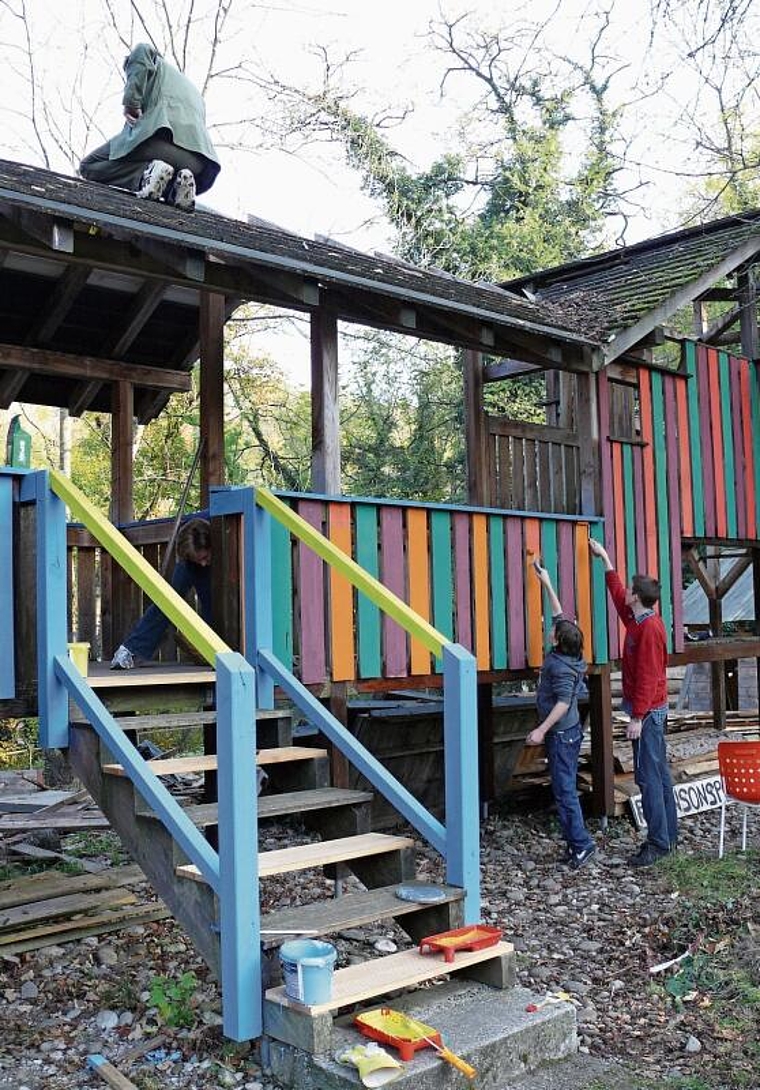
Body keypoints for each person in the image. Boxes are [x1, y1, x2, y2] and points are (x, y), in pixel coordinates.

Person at [588, 538, 677, 867]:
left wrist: (637, 717)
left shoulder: (649, 630)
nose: (626, 593)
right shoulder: (639, 620)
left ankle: (657, 845)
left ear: (637, 597)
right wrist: (606, 561)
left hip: (650, 714)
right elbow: (618, 598)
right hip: (651, 711)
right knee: (659, 774)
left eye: (631, 590)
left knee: (648, 778)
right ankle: (669, 838)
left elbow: (649, 678)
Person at [79, 43, 220, 212]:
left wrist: (131, 103)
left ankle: (146, 174)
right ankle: (177, 190)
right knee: (168, 177)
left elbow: (143, 50)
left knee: (89, 165)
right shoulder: (193, 92)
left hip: (158, 141)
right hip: (198, 165)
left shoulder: (150, 60)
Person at [525, 560, 596, 870]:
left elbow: (564, 704)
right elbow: (560, 614)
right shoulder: (570, 650)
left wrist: (541, 730)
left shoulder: (560, 668)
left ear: (556, 640)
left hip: (563, 733)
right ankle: (575, 843)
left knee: (565, 789)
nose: (551, 627)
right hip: (567, 733)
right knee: (563, 786)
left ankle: (582, 845)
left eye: (552, 630)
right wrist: (547, 581)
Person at [111, 517, 212, 669]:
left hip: (222, 554)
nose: (203, 563)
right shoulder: (190, 551)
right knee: (168, 601)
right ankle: (130, 651)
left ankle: (212, 648)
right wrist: (195, 560)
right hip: (189, 563)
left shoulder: (225, 520)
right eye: (199, 559)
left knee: (211, 601)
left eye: (204, 558)